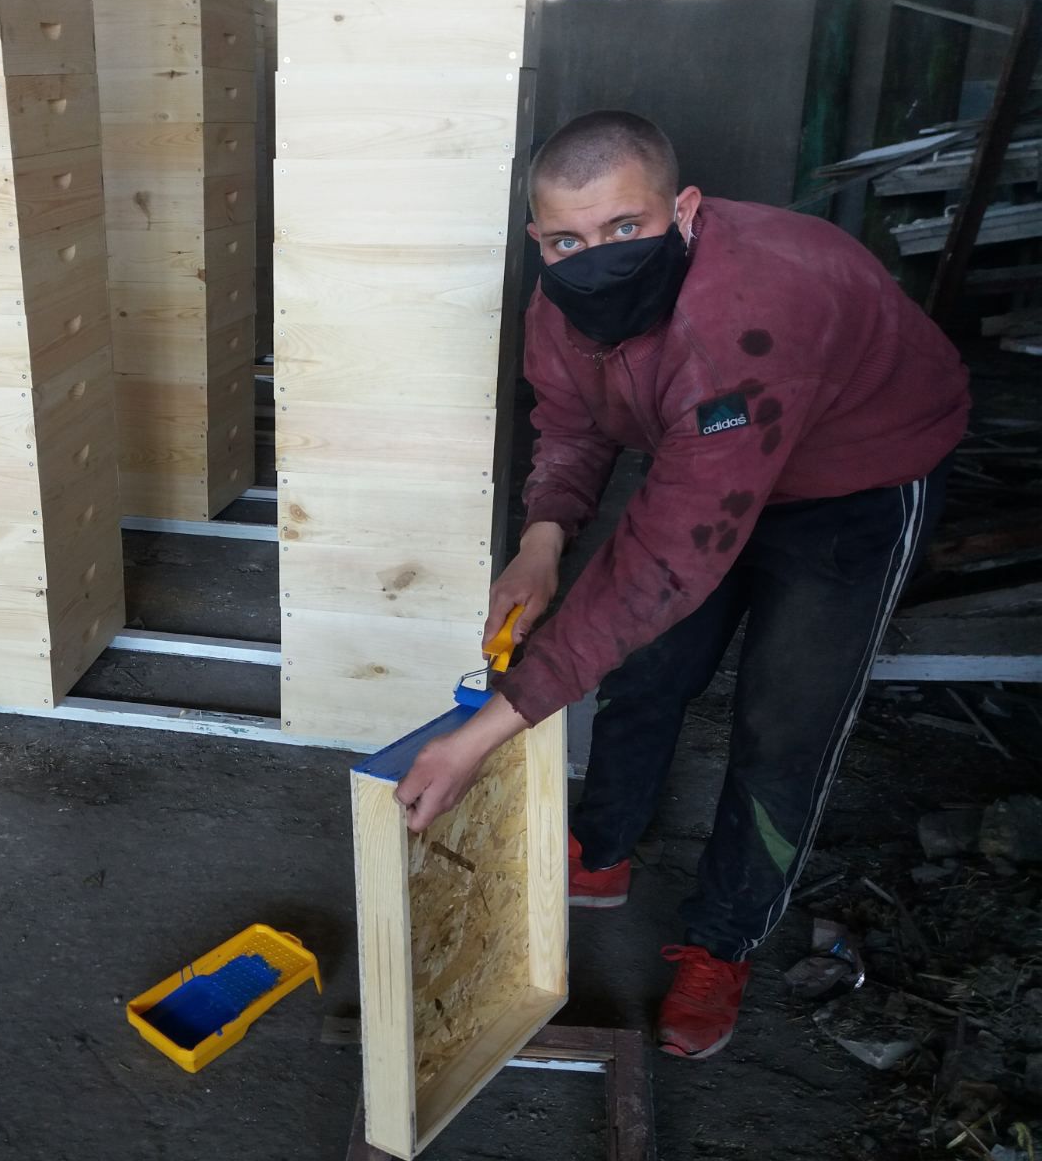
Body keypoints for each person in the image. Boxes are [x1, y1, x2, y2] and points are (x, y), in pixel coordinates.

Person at [394, 110, 970, 1059]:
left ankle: (723, 941)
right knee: (650, 664)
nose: (597, 259)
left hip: (855, 480)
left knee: (785, 722)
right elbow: (571, 422)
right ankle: (602, 847)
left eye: (627, 228)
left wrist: (486, 730)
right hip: (706, 457)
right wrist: (542, 541)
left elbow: (666, 559)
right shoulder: (563, 301)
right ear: (539, 238)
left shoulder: (749, 311)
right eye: (568, 240)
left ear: (686, 209)